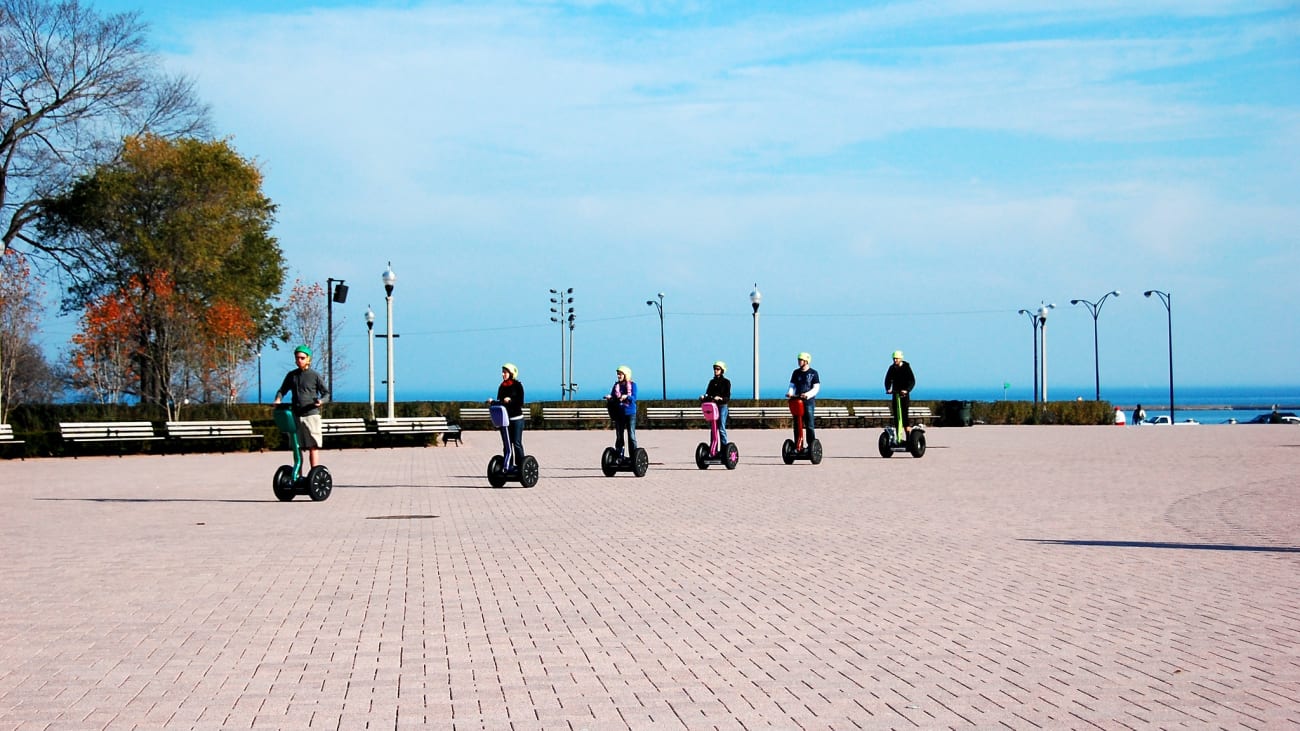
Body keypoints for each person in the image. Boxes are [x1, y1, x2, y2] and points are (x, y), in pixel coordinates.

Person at [273, 345, 329, 471]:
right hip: (296, 415)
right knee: (296, 446)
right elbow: (282, 390)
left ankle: (314, 473)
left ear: (308, 359)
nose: (299, 360)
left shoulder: (314, 375)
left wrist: (321, 401)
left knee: (312, 446)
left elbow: (326, 393)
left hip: (311, 415)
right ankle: (298, 473)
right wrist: (278, 399)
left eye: (302, 358)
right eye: (297, 358)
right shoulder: (291, 375)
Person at [487, 362, 525, 469]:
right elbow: (501, 402)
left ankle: (521, 466)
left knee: (516, 443)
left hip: (517, 419)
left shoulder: (517, 385)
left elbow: (520, 402)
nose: (503, 374)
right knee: (507, 444)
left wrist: (510, 400)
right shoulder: (502, 387)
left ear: (511, 373)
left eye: (505, 372)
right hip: (505, 420)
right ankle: (509, 465)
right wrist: (492, 402)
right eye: (502, 372)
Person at [786, 352, 820, 448]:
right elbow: (792, 385)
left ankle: (811, 445)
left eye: (800, 360)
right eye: (798, 360)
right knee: (797, 425)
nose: (799, 362)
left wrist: (807, 395)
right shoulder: (796, 372)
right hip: (797, 402)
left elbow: (816, 388)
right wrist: (790, 393)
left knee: (809, 425)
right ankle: (798, 445)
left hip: (808, 402)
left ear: (806, 361)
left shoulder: (813, 373)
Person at [604, 365, 638, 456]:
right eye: (618, 374)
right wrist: (610, 398)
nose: (618, 376)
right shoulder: (616, 386)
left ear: (626, 375)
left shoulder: (633, 385)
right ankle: (619, 455)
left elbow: (634, 398)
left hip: (630, 413)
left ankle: (633, 456)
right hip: (619, 413)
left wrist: (627, 396)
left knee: (631, 435)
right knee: (619, 435)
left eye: (620, 374)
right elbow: (614, 397)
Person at [885, 350, 916, 435]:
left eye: (897, 359)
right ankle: (898, 436)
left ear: (901, 359)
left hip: (904, 395)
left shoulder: (906, 367)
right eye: (894, 359)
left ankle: (908, 436)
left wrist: (907, 390)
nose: (895, 360)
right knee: (896, 415)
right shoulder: (892, 368)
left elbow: (912, 381)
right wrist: (888, 388)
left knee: (904, 415)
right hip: (895, 393)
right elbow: (888, 379)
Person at [701, 361, 732, 444]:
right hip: (713, 407)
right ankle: (713, 448)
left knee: (721, 428)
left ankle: (724, 448)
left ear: (722, 370)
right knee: (713, 429)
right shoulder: (712, 382)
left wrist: (721, 398)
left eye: (718, 369)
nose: (715, 370)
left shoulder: (726, 382)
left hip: (722, 407)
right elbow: (708, 393)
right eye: (714, 369)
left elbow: (727, 397)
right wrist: (704, 397)